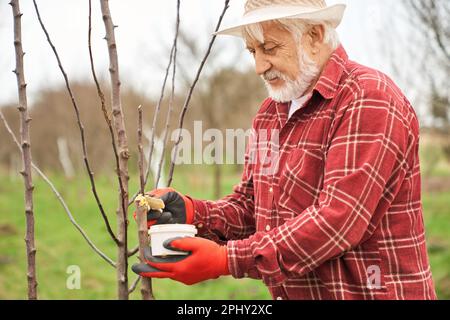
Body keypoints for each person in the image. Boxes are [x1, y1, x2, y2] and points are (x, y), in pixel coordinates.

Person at [132, 0, 437, 300]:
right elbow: (252, 209)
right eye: (253, 52)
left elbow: (338, 220)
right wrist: (194, 212)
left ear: (315, 36)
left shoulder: (368, 98)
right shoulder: (270, 114)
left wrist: (226, 260)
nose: (259, 67)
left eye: (270, 48)